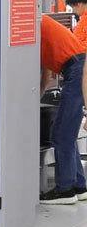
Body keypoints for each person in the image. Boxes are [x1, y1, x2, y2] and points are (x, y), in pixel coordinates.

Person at [39, 13, 87, 204]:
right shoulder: (38, 24)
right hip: (75, 68)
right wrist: (40, 92)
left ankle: (65, 190)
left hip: (75, 70)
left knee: (60, 134)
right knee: (67, 133)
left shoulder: (32, 23)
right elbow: (45, 68)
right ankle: (78, 186)